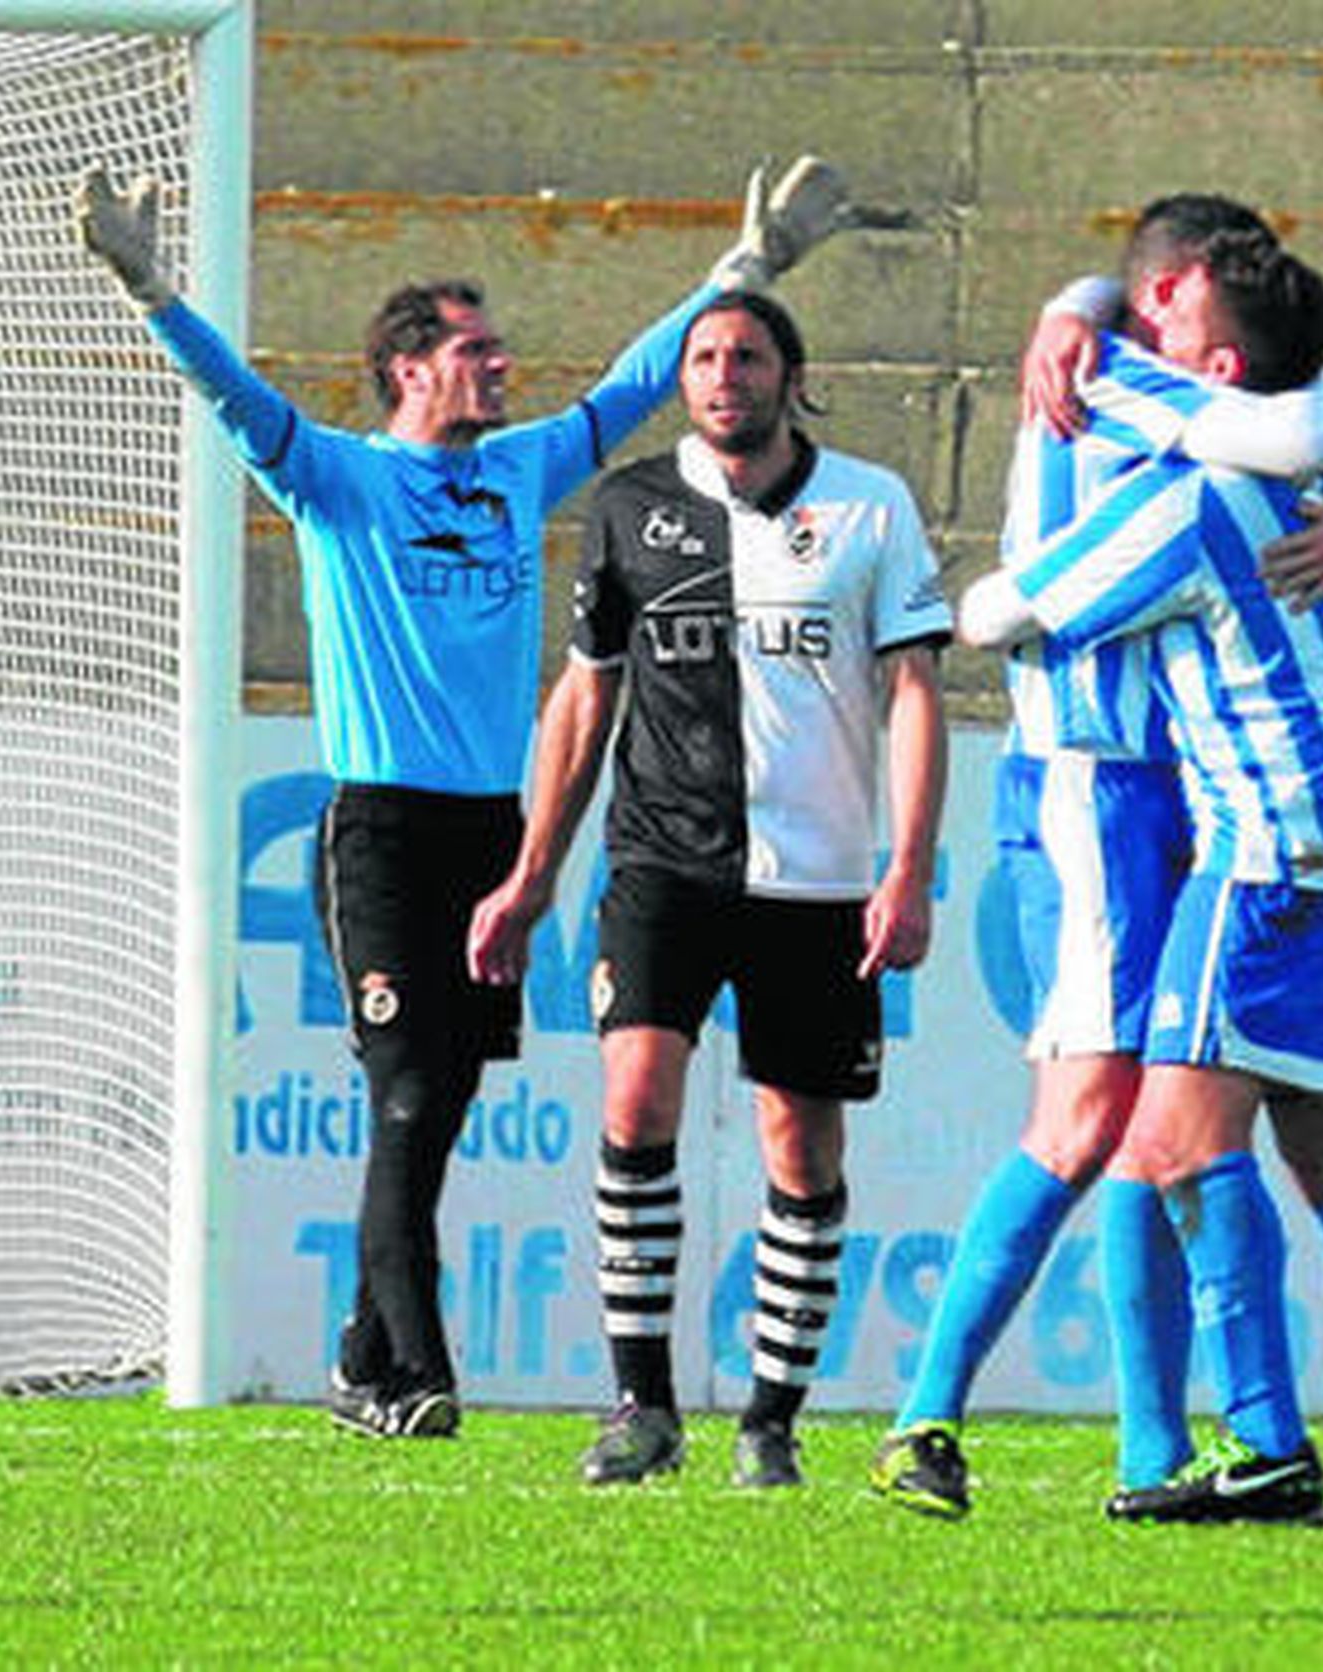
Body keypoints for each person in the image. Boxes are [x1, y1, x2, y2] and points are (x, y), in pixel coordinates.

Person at [75, 157, 856, 1439]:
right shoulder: (335, 478)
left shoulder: (515, 473)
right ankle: (417, 1375)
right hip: (381, 832)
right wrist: (155, 293)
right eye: (474, 351)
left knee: (436, 1107)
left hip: (496, 835)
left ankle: (357, 1359)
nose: (500, 367)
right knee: (405, 1092)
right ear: (408, 370)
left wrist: (749, 268)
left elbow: (634, 384)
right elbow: (234, 400)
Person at [870, 195, 1323, 1521]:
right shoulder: (1104, 375)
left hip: (1206, 787)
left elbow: (1314, 449)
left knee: (1157, 1112)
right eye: (1193, 298)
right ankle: (926, 1416)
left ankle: (1153, 1452)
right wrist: (1075, 306)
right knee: (1100, 1104)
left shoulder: (1177, 375)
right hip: (1095, 778)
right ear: (1168, 291)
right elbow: (1296, 432)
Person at [467, 289, 951, 1489]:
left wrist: (906, 865)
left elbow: (912, 693)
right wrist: (531, 873)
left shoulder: (870, 506)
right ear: (683, 381)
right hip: (662, 863)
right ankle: (641, 1407)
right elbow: (585, 697)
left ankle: (770, 1420)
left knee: (800, 1142)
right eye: (703, 358)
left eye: (747, 356)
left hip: (818, 879)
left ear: (791, 375)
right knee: (635, 1101)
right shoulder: (630, 506)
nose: (724, 375)